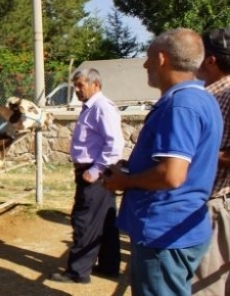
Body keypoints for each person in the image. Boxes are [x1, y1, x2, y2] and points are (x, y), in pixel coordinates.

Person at [104, 28, 223, 295]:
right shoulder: (202, 98)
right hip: (177, 228)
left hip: (163, 231)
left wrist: (125, 180)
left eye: (147, 58)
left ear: (161, 59)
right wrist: (132, 168)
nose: (145, 64)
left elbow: (172, 175)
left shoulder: (181, 105)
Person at [49, 68, 124, 284]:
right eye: (76, 86)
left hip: (95, 174)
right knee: (106, 221)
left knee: (84, 220)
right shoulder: (91, 108)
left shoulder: (101, 107)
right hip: (95, 172)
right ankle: (109, 266)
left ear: (95, 84)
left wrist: (96, 169)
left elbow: (115, 144)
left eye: (80, 85)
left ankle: (77, 272)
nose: (77, 90)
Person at [192, 28, 230, 295]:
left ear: (211, 60)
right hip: (206, 206)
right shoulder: (208, 95)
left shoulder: (222, 96)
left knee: (207, 287)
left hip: (213, 205)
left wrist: (199, 156)